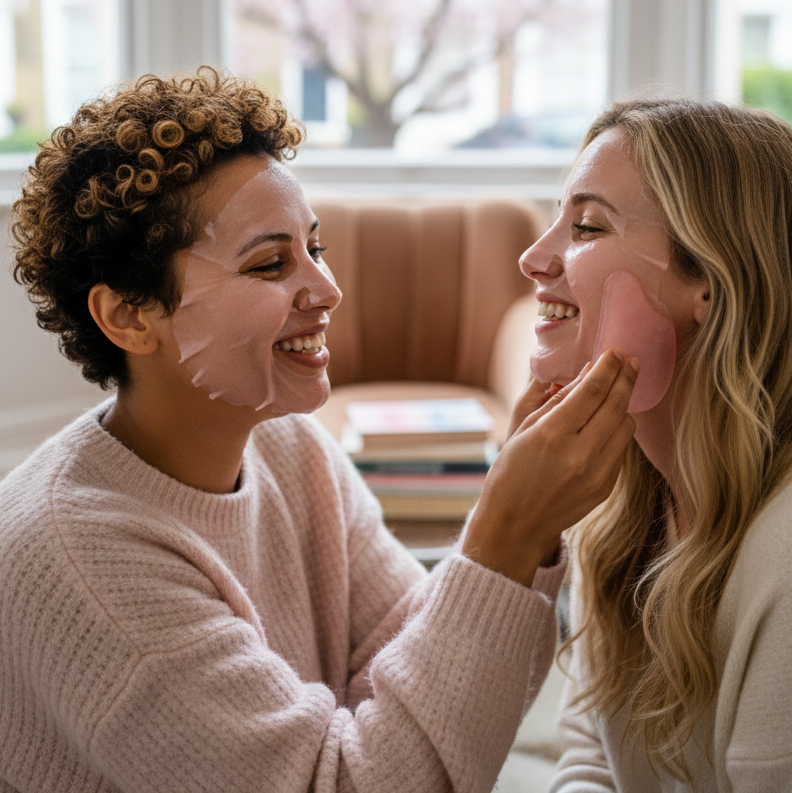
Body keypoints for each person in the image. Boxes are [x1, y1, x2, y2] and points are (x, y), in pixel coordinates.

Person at [0, 67, 638, 792]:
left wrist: (522, 532)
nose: (328, 290)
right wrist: (506, 531)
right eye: (270, 263)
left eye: (315, 248)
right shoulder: (82, 564)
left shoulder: (287, 444)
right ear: (129, 316)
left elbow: (425, 680)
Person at [519, 97, 792, 792]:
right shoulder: (618, 508)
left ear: (708, 281)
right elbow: (587, 753)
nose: (533, 257)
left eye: (585, 225)